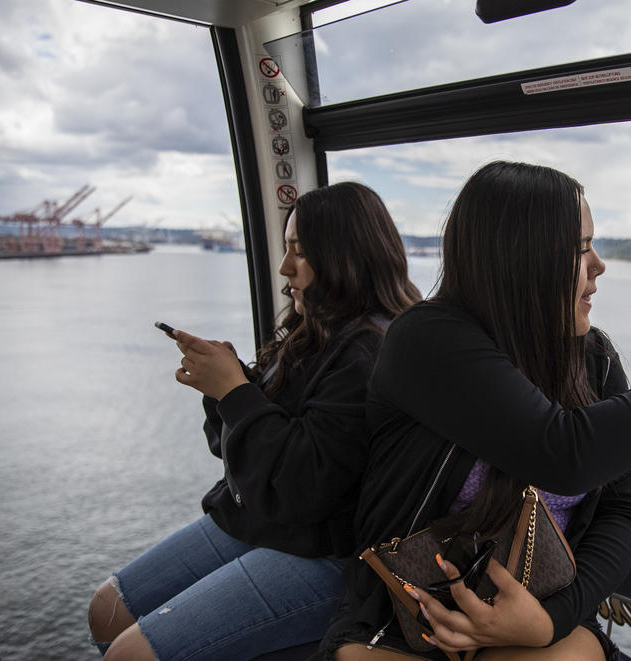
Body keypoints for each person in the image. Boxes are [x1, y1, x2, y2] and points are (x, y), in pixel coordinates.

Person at [320, 161, 631, 661]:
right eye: (582, 249)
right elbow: (562, 451)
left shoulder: (594, 361)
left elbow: (625, 510)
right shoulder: (427, 340)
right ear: (523, 259)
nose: (599, 265)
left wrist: (549, 620)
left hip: (539, 619)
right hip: (409, 621)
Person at [86, 182, 421, 661]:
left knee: (128, 655)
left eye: (299, 253)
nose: (285, 269)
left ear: (346, 258)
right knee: (107, 609)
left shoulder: (367, 352)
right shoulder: (318, 332)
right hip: (272, 519)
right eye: (286, 250)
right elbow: (238, 452)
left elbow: (301, 488)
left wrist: (235, 392)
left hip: (331, 552)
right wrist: (232, 386)